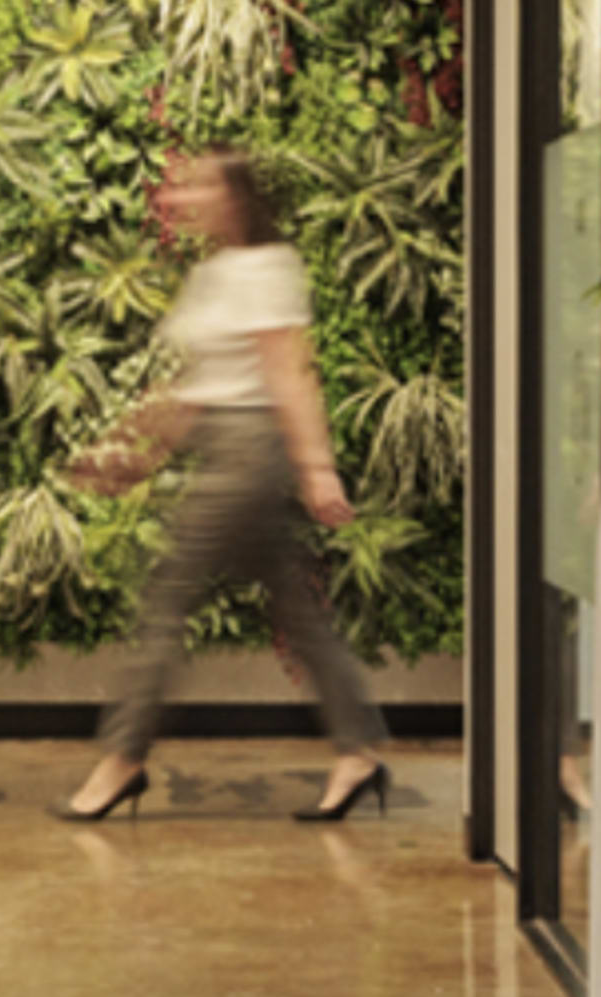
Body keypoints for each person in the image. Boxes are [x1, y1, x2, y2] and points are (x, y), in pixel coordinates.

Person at [61, 149, 391, 825]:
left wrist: (317, 469)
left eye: (197, 186)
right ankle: (358, 752)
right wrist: (126, 454)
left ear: (236, 197)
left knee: (166, 598)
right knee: (299, 615)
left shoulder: (268, 270)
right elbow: (190, 391)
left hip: (249, 454)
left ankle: (122, 759)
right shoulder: (213, 274)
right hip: (224, 446)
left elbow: (290, 375)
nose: (180, 198)